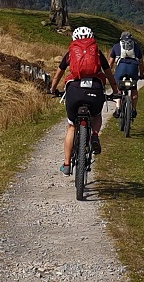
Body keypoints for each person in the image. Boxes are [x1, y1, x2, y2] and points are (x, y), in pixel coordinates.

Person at [48, 26, 118, 175]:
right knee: (96, 114)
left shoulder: (71, 53)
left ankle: (66, 165)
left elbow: (58, 74)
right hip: (95, 91)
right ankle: (94, 135)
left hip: (74, 90)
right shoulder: (97, 53)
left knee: (72, 127)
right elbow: (109, 74)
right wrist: (115, 91)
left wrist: (52, 90)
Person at [109, 31, 144, 119]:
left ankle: (118, 108)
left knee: (118, 89)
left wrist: (109, 74)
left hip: (120, 69)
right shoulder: (136, 47)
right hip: (132, 69)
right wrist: (141, 74)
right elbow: (141, 63)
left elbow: (110, 63)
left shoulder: (116, 46)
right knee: (134, 89)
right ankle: (133, 109)